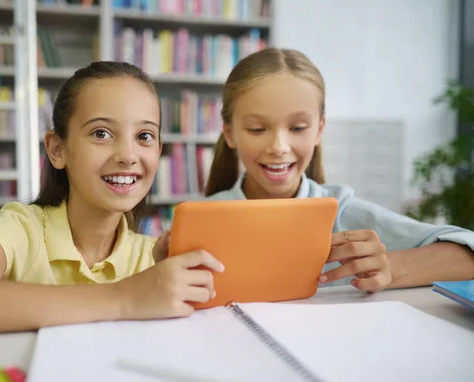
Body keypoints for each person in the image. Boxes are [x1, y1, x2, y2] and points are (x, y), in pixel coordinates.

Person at [0, 61, 224, 337]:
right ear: (58, 149)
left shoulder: (150, 258)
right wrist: (123, 297)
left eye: (144, 136)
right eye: (101, 133)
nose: (128, 155)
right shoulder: (22, 229)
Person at [203, 47, 474, 293]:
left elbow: (467, 252)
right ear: (229, 133)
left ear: (319, 129)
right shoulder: (203, 220)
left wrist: (392, 266)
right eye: (257, 129)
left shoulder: (342, 212)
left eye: (297, 128)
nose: (279, 147)